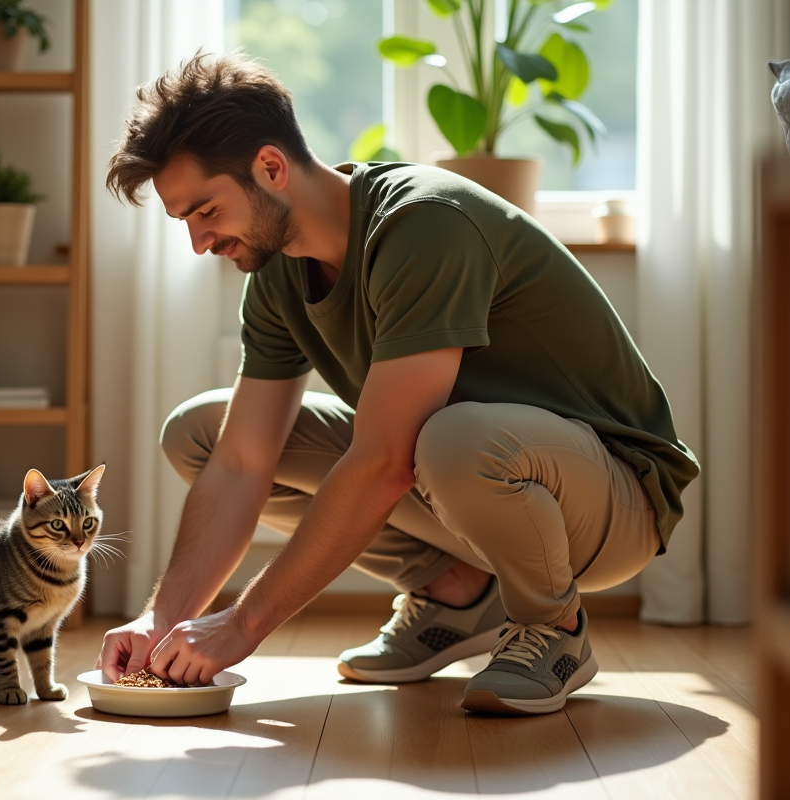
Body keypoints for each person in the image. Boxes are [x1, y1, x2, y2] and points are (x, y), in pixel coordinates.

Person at [96, 51, 699, 715]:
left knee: (446, 439)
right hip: (476, 473)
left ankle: (554, 628)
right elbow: (242, 463)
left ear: (270, 167)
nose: (199, 241)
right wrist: (161, 620)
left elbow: (384, 462)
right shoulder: (277, 274)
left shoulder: (424, 223)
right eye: (184, 220)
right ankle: (455, 593)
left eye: (206, 210)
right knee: (203, 434)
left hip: (615, 496)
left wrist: (241, 626)